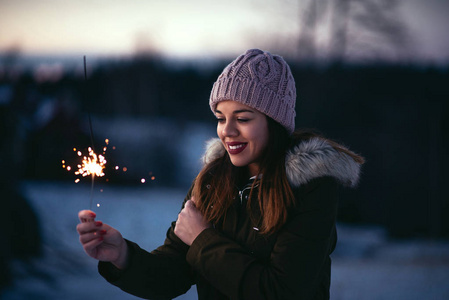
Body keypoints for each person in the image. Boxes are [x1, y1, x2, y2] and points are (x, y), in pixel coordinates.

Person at [77, 49, 364, 300]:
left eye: (242, 118)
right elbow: (171, 276)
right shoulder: (211, 183)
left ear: (275, 123)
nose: (227, 131)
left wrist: (202, 239)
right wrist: (122, 256)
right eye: (221, 118)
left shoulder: (310, 188)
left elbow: (281, 292)